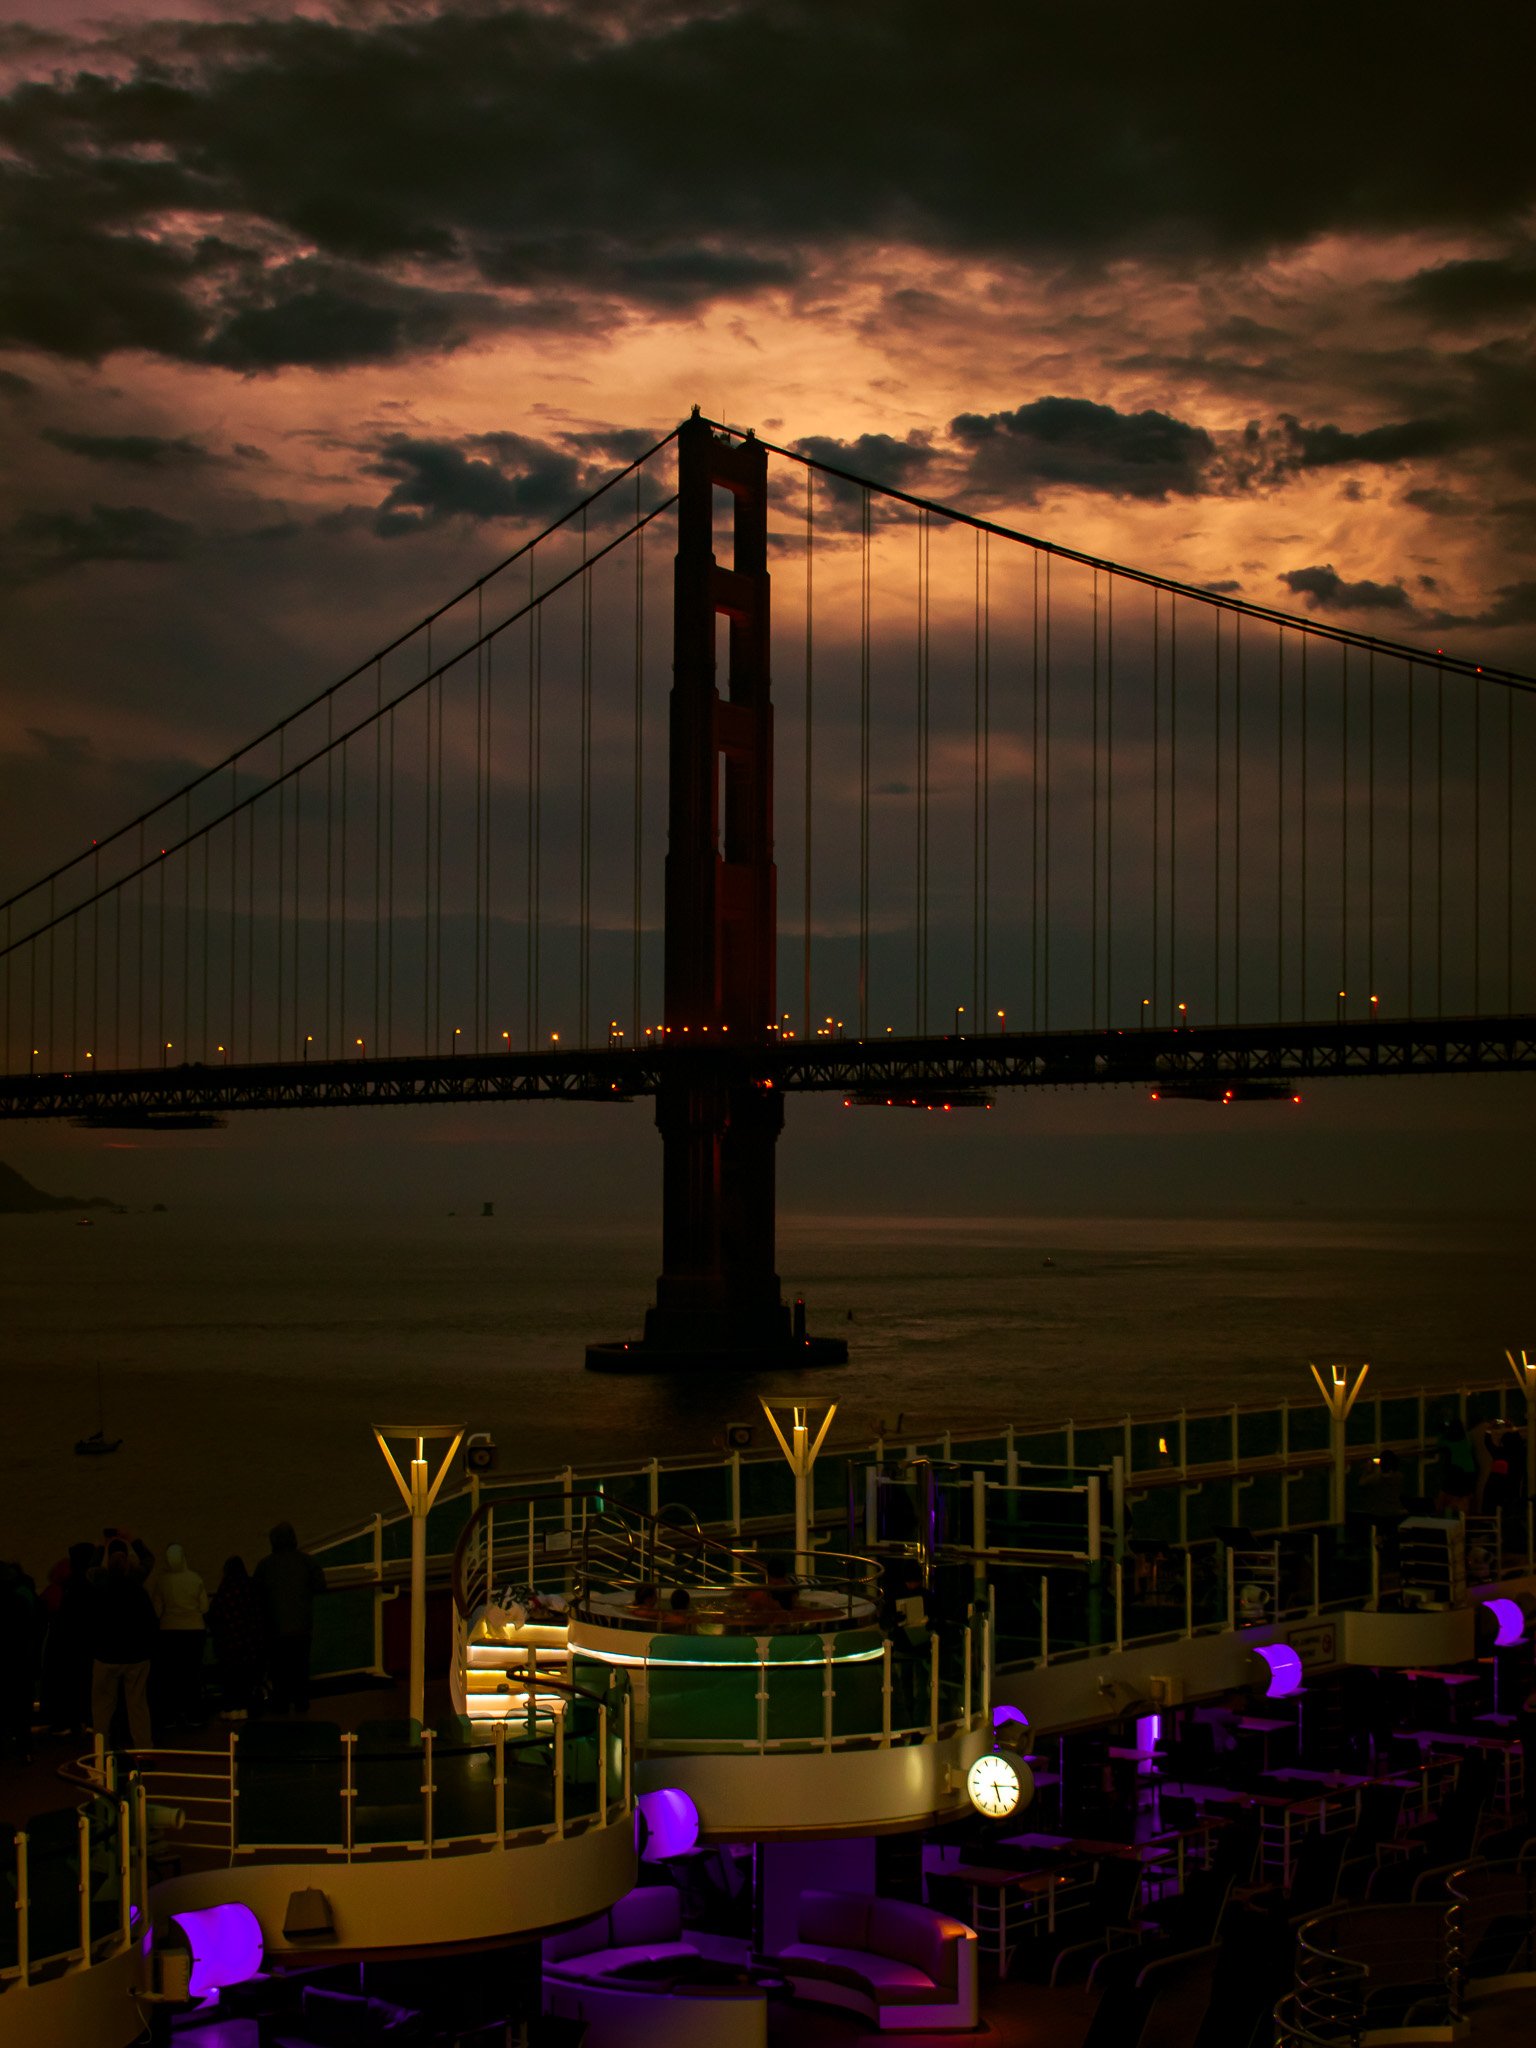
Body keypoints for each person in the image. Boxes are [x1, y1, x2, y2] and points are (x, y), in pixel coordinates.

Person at [90, 1537, 158, 1751]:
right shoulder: (137, 1585)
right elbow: (148, 1560)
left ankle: (101, 1751)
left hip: (106, 1655)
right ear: (128, 1565)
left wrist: (102, 1545)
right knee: (138, 1706)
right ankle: (144, 1750)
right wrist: (134, 1540)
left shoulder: (100, 1584)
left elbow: (91, 1569)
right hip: (136, 1656)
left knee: (101, 1709)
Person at [253, 1523, 325, 1716]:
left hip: (275, 1629)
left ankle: (281, 1705)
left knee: (279, 1670)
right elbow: (320, 1586)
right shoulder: (306, 1562)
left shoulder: (265, 1565)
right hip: (301, 1627)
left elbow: (256, 1594)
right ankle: (301, 1703)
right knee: (300, 1666)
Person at [39, 1542, 97, 1735]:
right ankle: (83, 1718)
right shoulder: (89, 1585)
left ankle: (68, 1720)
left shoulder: (67, 1587)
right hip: (85, 1644)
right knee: (83, 1682)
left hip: (67, 1644)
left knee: (68, 1682)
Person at [152, 1543, 209, 1731]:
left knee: (171, 1676)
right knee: (192, 1674)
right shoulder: (195, 1579)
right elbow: (204, 1607)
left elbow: (157, 1610)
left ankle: (170, 1715)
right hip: (194, 1630)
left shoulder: (162, 1582)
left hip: (169, 1632)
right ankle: (194, 1714)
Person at [207, 1557, 264, 1721]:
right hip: (250, 1644)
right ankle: (246, 1707)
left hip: (229, 1646)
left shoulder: (225, 1590)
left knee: (231, 1679)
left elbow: (214, 1615)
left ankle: (232, 1709)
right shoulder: (251, 1587)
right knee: (247, 1678)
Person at [0, 1560, 41, 1763]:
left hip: (8, 1662)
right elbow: (31, 1632)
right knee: (21, 1710)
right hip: (19, 1662)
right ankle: (24, 1749)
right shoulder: (21, 1601)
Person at [1434, 1417, 1478, 1515]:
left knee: (1446, 1497)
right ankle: (1465, 1520)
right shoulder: (1466, 1439)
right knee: (1465, 1498)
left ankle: (1445, 1517)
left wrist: (1442, 1432)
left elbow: (1439, 1444)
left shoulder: (1448, 1442)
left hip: (1455, 1472)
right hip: (1470, 1472)